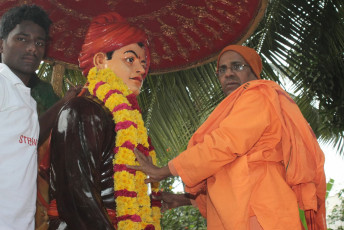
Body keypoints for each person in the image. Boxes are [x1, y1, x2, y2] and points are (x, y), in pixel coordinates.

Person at [130, 45, 327, 230]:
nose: (228, 74)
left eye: (237, 66)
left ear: (254, 71)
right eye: (222, 70)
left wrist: (163, 171)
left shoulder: (258, 95)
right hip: (250, 209)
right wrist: (182, 200)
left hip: (260, 210)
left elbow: (223, 145)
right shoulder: (237, 108)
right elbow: (228, 171)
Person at [47, 12, 161, 230]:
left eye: (143, 63)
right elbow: (77, 197)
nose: (141, 69)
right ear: (100, 61)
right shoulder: (81, 110)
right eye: (130, 59)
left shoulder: (128, 122)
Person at [0, 4, 80, 230]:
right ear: (1, 44)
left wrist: (66, 101)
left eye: (39, 43)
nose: (32, 49)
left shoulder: (26, 98)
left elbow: (33, 135)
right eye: (22, 39)